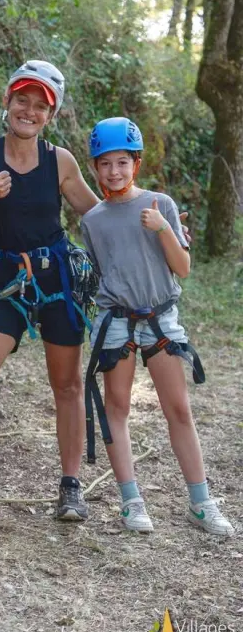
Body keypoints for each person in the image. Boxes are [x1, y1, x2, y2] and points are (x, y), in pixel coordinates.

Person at [0, 60, 100, 520]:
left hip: (55, 279)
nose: (28, 111)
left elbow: (98, 214)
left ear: (52, 115)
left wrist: (154, 219)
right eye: (21, 100)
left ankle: (71, 488)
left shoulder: (58, 160)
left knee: (66, 384)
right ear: (7, 101)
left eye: (39, 105)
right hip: (4, 279)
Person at [81, 117, 233, 536]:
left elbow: (181, 267)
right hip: (116, 322)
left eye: (123, 162)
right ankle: (131, 500)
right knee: (117, 408)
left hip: (160, 317)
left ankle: (201, 501)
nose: (114, 171)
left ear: (137, 164)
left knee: (178, 408)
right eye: (106, 163)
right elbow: (100, 273)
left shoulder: (160, 205)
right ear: (94, 168)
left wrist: (164, 228)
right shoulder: (92, 220)